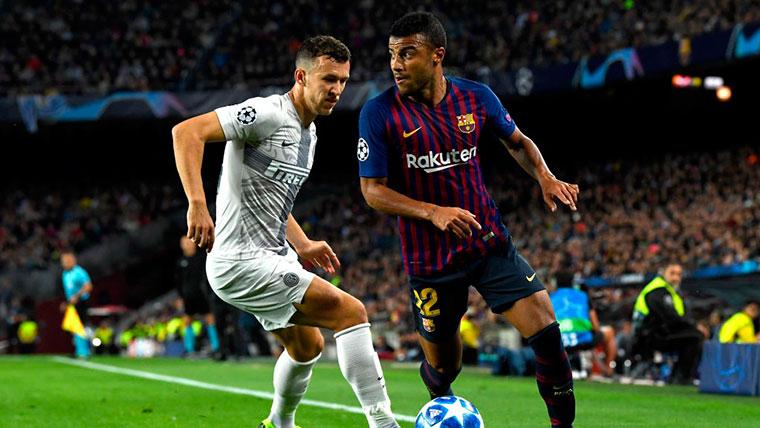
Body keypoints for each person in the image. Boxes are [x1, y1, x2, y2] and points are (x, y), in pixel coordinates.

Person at [358, 12, 578, 428]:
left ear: (437, 55)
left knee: (548, 334)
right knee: (445, 367)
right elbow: (372, 190)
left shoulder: (476, 97)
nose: (396, 64)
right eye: (392, 54)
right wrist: (433, 212)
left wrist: (545, 176)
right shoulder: (379, 112)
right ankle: (439, 402)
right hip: (431, 261)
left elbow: (518, 142)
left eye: (407, 53)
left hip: (487, 242)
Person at [172, 35, 399, 428]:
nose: (337, 89)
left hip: (271, 255)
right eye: (328, 79)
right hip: (240, 260)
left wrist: (303, 243)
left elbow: (275, 200)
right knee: (351, 312)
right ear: (301, 77)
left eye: (343, 81)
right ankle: (384, 423)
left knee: (307, 346)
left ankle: (279, 422)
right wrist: (197, 202)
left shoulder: (309, 136)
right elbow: (186, 132)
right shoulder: (266, 113)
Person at [632, 263, 704, 384]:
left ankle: (678, 376)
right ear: (663, 273)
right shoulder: (657, 290)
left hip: (661, 332)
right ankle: (681, 377)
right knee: (695, 337)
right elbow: (669, 317)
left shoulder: (672, 292)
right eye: (672, 273)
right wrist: (694, 326)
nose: (676, 277)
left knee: (694, 335)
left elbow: (680, 316)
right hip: (649, 336)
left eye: (679, 274)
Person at [550, 272, 616, 377]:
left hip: (559, 342)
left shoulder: (550, 297)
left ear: (555, 283)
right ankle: (609, 371)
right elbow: (595, 326)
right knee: (609, 332)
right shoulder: (583, 295)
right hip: (583, 340)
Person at [176, 235, 221, 357]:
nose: (187, 245)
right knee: (187, 321)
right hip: (188, 296)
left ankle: (216, 347)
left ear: (194, 243)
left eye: (189, 242)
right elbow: (178, 281)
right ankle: (189, 349)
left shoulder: (202, 258)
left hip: (202, 294)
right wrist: (180, 297)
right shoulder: (180, 262)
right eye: (184, 243)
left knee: (210, 319)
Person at [59, 250, 93, 358]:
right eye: (63, 261)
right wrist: (66, 303)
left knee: (80, 326)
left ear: (73, 260)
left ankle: (84, 351)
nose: (64, 263)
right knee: (73, 327)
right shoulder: (65, 274)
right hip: (72, 304)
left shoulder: (79, 272)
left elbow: (88, 286)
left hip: (81, 302)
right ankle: (79, 350)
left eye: (66, 261)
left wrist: (77, 296)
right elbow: (69, 291)